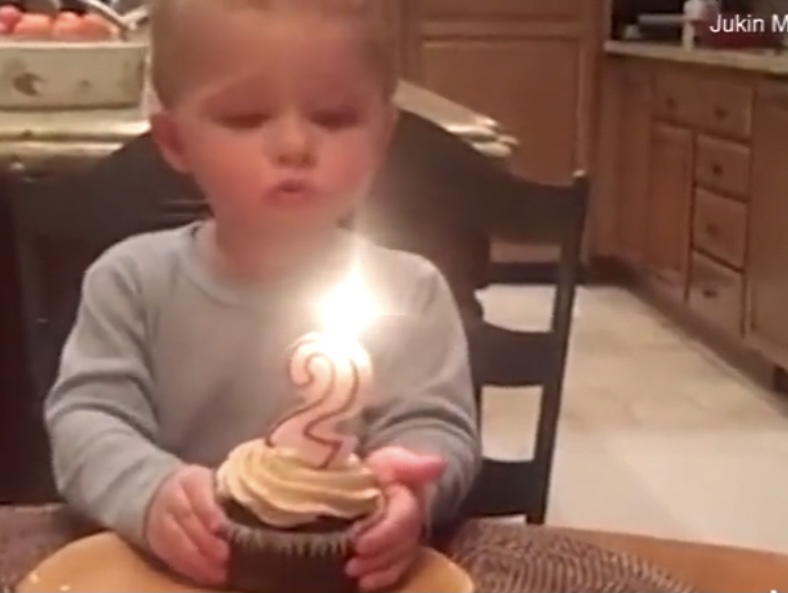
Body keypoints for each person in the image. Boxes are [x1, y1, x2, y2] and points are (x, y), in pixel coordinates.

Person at [44, 0, 480, 590]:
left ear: (383, 135)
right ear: (175, 140)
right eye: (246, 117)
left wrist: (411, 490)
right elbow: (86, 420)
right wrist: (148, 492)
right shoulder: (129, 283)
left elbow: (436, 428)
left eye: (334, 117)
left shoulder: (413, 292)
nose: (294, 144)